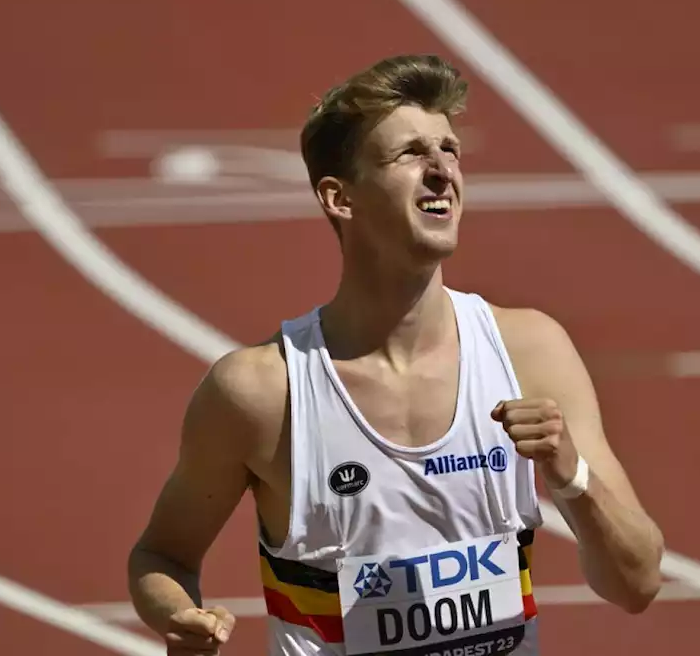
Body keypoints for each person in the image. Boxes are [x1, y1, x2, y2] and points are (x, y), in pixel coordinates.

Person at [126, 53, 665, 656]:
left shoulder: (529, 351)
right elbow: (162, 555)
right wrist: (179, 617)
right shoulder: (261, 391)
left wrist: (571, 475)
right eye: (410, 154)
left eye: (450, 150)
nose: (441, 171)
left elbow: (637, 583)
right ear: (340, 198)